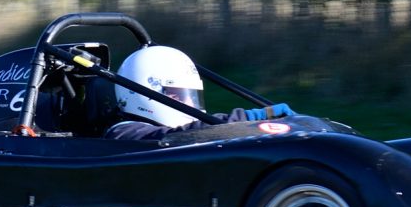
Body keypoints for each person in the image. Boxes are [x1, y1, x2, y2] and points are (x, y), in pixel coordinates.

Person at [101, 45, 293, 141]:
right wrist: (251, 118)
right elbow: (179, 135)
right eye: (178, 95)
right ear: (145, 95)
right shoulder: (125, 132)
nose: (190, 105)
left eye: (191, 96)